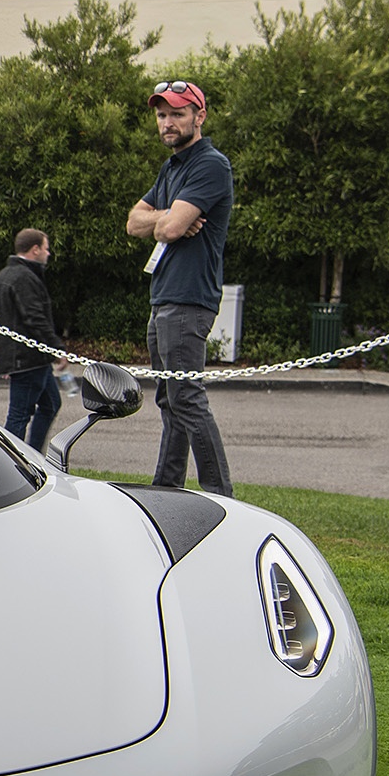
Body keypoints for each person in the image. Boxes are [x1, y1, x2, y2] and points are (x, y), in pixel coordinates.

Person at [127, 79, 234, 495]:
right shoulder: (172, 167)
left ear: (199, 116)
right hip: (164, 296)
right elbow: (135, 222)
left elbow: (167, 228)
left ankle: (221, 496)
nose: (167, 122)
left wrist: (167, 220)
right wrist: (170, 217)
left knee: (187, 396)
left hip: (190, 298)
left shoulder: (209, 164)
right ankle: (167, 488)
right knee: (170, 399)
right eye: (161, 115)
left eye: (177, 113)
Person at [0, 229, 63, 450]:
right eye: (46, 248)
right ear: (35, 249)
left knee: (51, 404)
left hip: (22, 357)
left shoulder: (1, 277)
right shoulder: (25, 278)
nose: (48, 253)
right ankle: (12, 459)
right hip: (29, 358)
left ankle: (34, 452)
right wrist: (56, 347)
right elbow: (34, 317)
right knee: (19, 415)